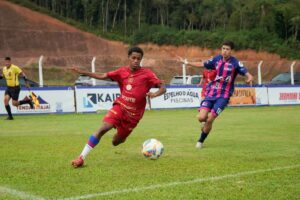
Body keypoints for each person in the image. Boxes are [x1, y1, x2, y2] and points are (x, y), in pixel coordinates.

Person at [70, 46, 166, 168]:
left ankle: (121, 135)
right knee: (103, 128)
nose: (136, 60)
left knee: (116, 142)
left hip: (134, 116)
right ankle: (81, 157)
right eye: (133, 58)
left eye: (138, 59)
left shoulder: (147, 74)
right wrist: (84, 72)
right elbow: (103, 75)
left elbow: (163, 87)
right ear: (129, 58)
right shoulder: (121, 72)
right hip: (120, 107)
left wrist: (155, 94)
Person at [178, 41, 253, 149]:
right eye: (223, 48)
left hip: (224, 96)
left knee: (210, 119)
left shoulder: (235, 63)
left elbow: (246, 72)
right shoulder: (216, 59)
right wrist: (186, 62)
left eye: (227, 49)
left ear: (231, 51)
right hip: (211, 92)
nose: (225, 51)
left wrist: (249, 77)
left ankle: (200, 141)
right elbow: (202, 64)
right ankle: (205, 125)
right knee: (201, 118)